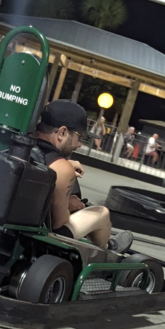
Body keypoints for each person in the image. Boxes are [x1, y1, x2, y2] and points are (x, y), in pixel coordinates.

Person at [31, 100, 112, 250]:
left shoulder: (26, 145)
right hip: (44, 239)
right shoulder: (62, 169)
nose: (80, 144)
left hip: (21, 225)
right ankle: (106, 250)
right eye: (79, 137)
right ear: (62, 132)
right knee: (102, 213)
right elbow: (58, 223)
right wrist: (68, 203)